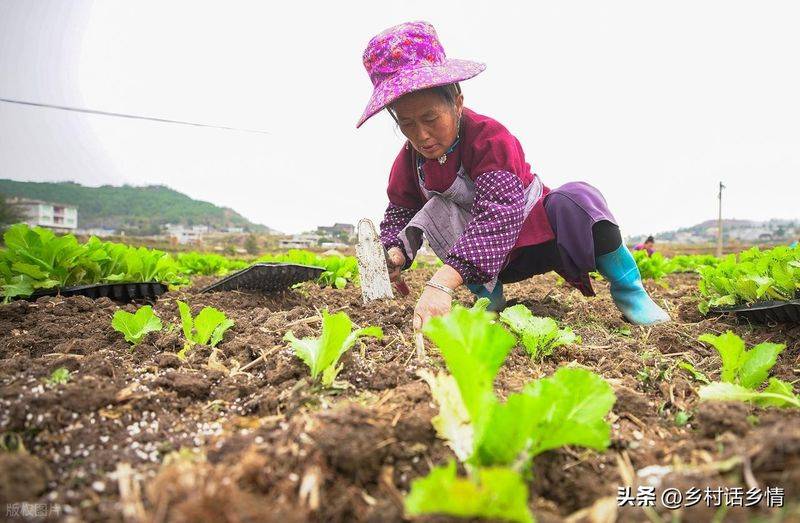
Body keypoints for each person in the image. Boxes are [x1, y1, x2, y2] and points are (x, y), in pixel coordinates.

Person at [357, 21, 669, 328]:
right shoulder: (411, 161)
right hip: (485, 266)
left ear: (457, 102)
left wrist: (442, 282)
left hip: (534, 237)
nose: (422, 135)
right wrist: (393, 254)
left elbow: (499, 215)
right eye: (407, 124)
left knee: (579, 200)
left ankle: (630, 292)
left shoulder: (489, 139)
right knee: (438, 209)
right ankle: (487, 299)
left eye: (430, 118)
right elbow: (401, 212)